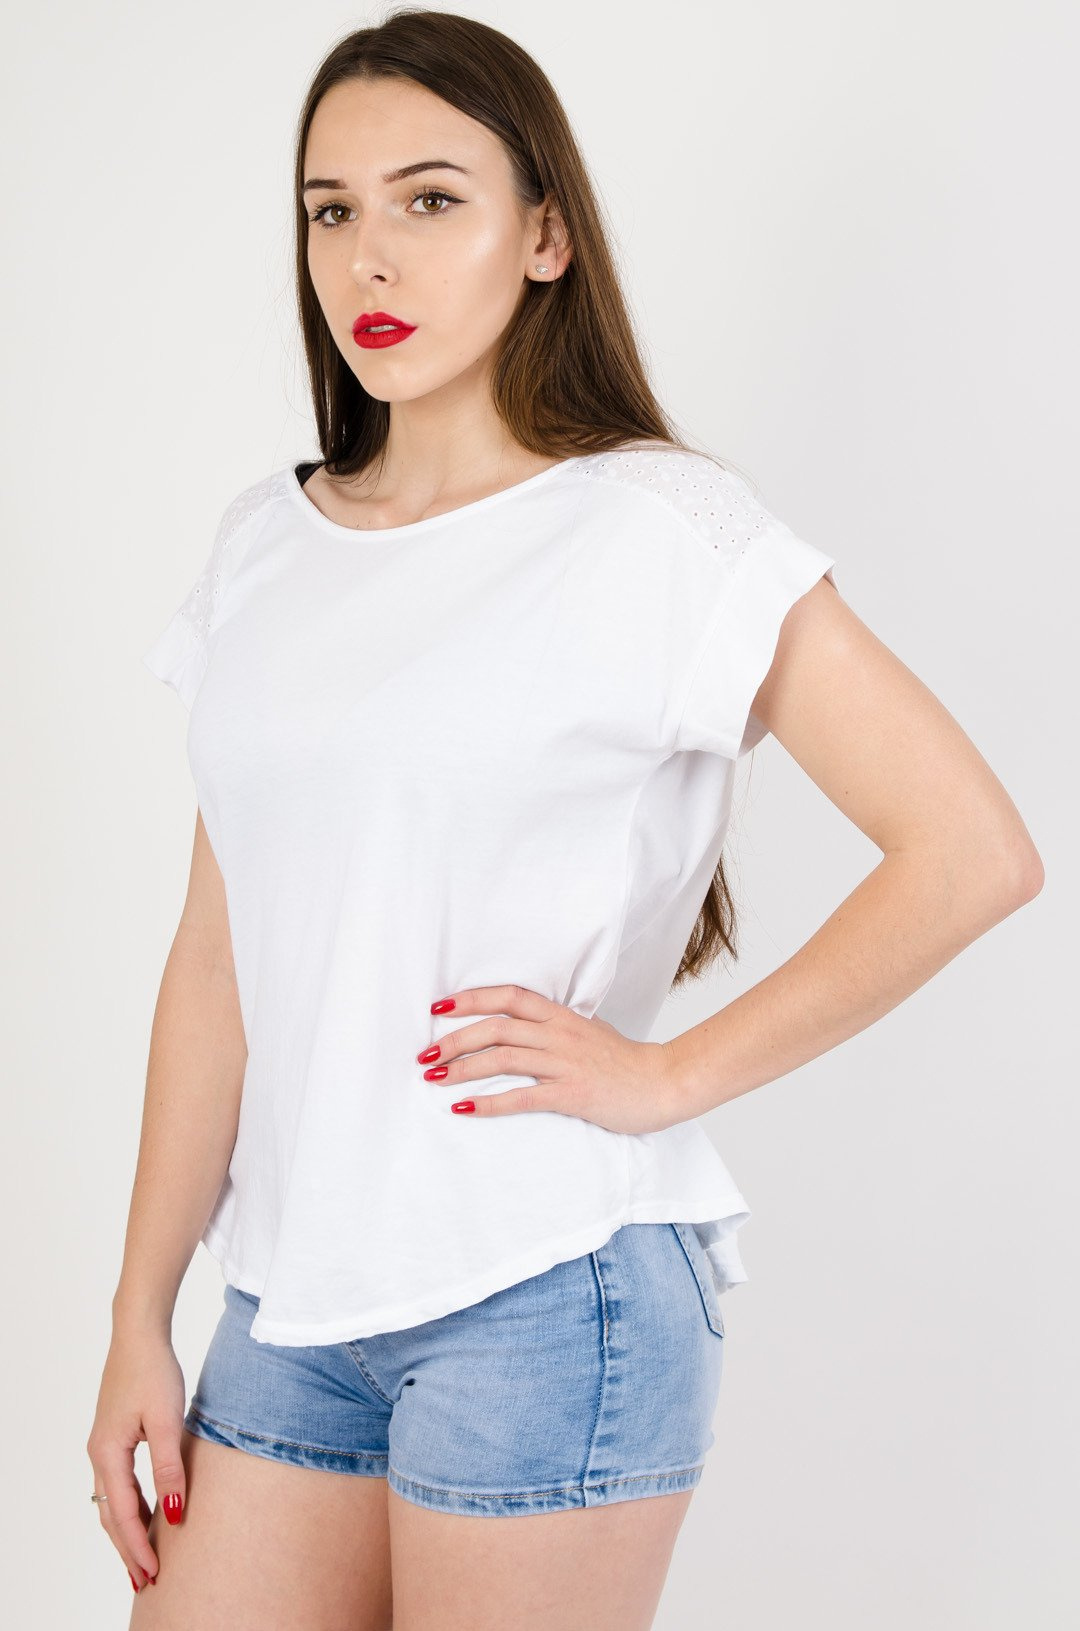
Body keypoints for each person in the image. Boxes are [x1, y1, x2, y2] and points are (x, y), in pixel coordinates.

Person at [87, 10, 1043, 1630]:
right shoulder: (266, 544)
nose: (369, 256)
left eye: (430, 200)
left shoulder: (661, 530)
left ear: (545, 236)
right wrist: (138, 1312)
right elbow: (216, 963)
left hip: (544, 1292)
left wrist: (668, 1076)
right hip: (287, 1306)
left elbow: (972, 853)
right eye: (331, 210)